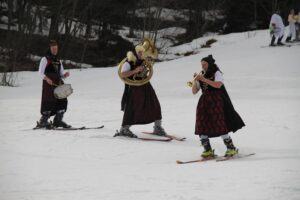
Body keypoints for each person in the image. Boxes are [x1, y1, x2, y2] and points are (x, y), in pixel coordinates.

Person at [191, 55, 245, 158]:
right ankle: (207, 150)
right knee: (201, 123)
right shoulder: (201, 74)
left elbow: (218, 85)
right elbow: (194, 91)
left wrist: (203, 79)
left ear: (209, 64)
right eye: (201, 65)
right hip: (204, 102)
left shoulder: (216, 72)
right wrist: (195, 81)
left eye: (205, 64)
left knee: (219, 123)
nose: (203, 67)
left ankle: (231, 148)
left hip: (216, 101)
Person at [115, 45, 166, 138]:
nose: (142, 54)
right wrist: (135, 70)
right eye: (139, 52)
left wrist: (145, 69)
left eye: (142, 52)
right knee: (133, 108)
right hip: (134, 87)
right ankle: (124, 128)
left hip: (145, 85)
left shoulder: (143, 61)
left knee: (155, 104)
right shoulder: (128, 62)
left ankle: (157, 127)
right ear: (135, 53)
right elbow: (122, 74)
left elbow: (147, 71)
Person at [36, 40, 71, 128]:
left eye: (56, 48)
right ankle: (43, 121)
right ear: (50, 48)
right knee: (49, 101)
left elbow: (61, 74)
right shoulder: (45, 59)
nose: (55, 50)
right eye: (53, 48)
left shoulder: (59, 60)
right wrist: (47, 79)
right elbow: (40, 73)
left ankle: (58, 120)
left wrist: (64, 75)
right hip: (48, 84)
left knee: (63, 100)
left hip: (58, 83)